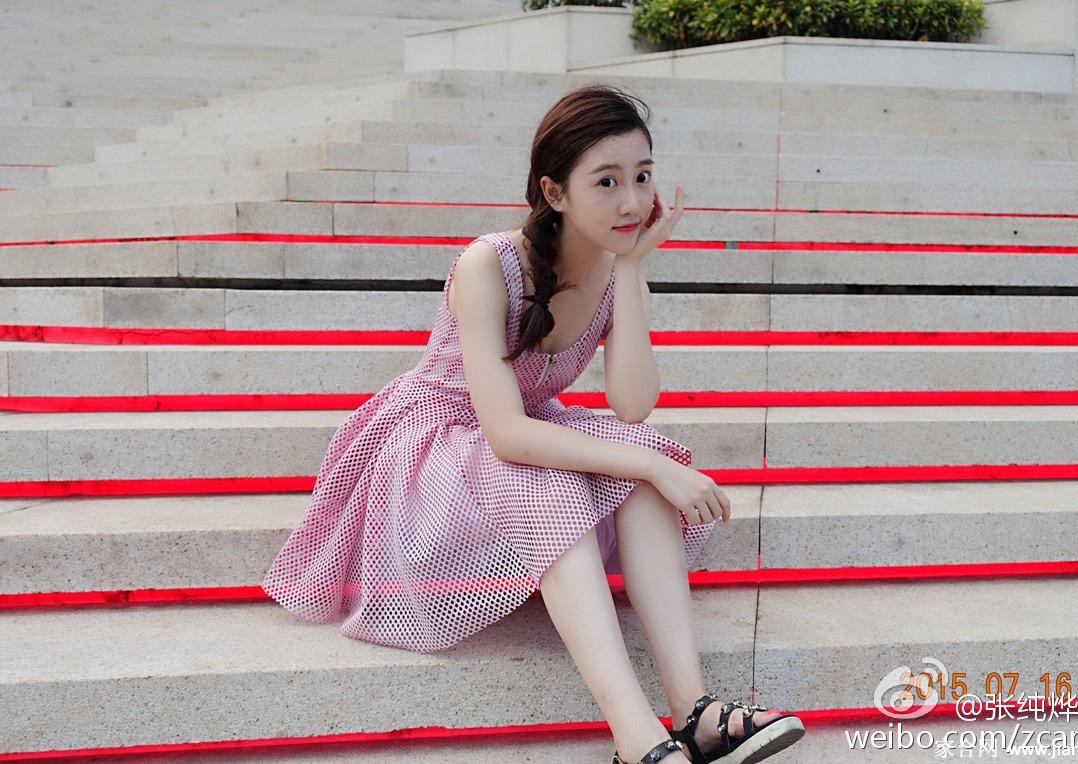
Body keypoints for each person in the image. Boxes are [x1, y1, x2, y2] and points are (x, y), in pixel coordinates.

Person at [261, 83, 805, 764]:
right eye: (606, 181)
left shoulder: (616, 272)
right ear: (554, 192)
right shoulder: (489, 263)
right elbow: (506, 434)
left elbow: (632, 404)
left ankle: (695, 710)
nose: (632, 202)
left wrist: (630, 270)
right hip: (433, 448)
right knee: (583, 475)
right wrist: (652, 462)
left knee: (639, 466)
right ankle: (636, 739)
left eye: (642, 177)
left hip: (521, 438)